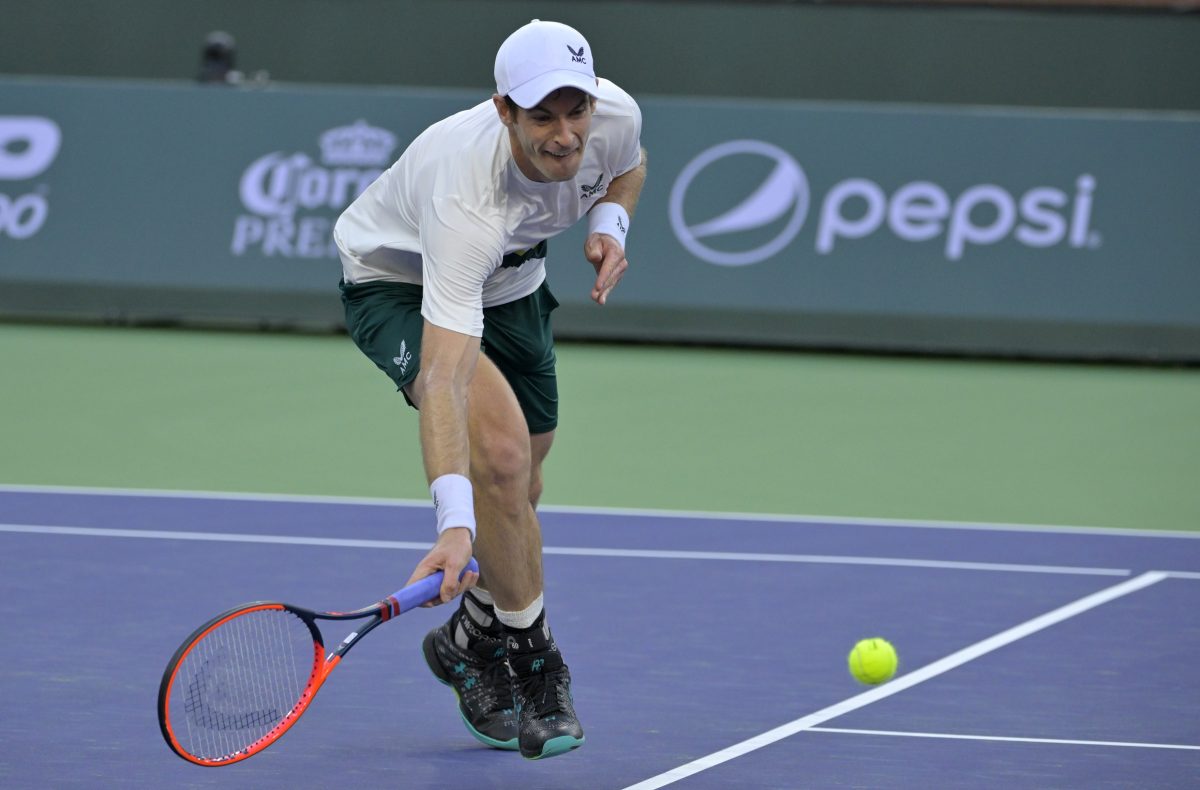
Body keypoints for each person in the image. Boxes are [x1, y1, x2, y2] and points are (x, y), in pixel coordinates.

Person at [333, 19, 646, 760]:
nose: (566, 135)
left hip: (514, 282)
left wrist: (610, 223)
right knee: (499, 463)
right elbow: (444, 378)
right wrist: (452, 526)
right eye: (543, 116)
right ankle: (537, 669)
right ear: (504, 110)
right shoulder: (464, 197)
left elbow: (629, 166)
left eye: (577, 111)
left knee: (523, 486)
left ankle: (469, 637)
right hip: (400, 285)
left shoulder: (616, 119)